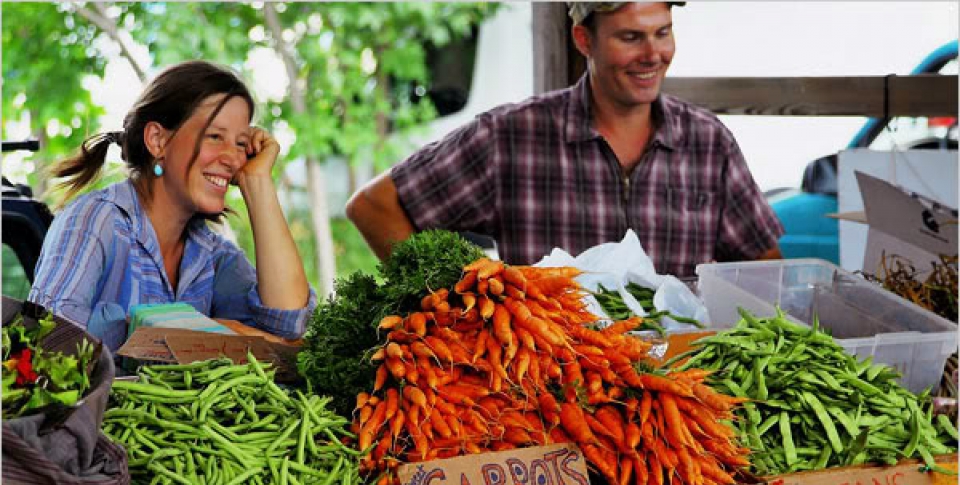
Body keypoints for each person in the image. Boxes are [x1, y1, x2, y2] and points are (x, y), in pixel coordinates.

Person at [346, 2, 784, 278]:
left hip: (680, 391)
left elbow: (765, 269)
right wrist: (455, 309)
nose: (652, 54)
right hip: (550, 391)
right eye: (630, 37)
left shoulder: (708, 144)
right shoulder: (512, 137)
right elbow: (374, 207)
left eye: (662, 32)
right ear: (583, 40)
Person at [28, 60, 315, 352]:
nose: (232, 158)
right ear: (157, 141)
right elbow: (47, 343)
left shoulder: (210, 254)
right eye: (215, 136)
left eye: (241, 143)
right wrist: (216, 331)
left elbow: (287, 328)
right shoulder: (94, 221)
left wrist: (259, 183)